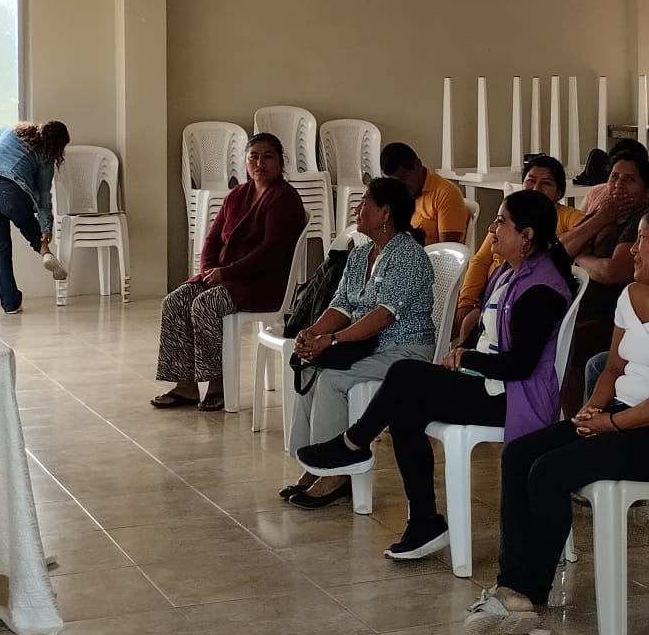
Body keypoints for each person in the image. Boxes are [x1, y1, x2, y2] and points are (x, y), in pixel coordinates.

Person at [467, 202, 649, 635]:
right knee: (519, 455)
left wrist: (610, 426)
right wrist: (592, 410)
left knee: (550, 470)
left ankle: (527, 591)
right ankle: (511, 584)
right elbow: (613, 367)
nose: (633, 249)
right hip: (624, 417)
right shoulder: (632, 294)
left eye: (643, 239)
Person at [298, 189, 574, 560]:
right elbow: (486, 333)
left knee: (405, 374)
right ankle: (423, 521)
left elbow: (520, 365)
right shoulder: (508, 273)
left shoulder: (541, 289)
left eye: (501, 222)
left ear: (526, 236)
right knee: (404, 405)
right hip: (489, 384)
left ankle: (352, 445)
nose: (491, 229)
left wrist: (466, 359)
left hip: (514, 398)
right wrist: (464, 349)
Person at [284, 176, 435, 508]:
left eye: (365, 202)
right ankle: (312, 462)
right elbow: (341, 305)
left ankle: (336, 472)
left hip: (403, 350)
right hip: (366, 347)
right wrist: (313, 334)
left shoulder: (408, 256)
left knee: (332, 379)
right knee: (309, 367)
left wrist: (331, 340)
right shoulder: (361, 254)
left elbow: (383, 316)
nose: (357, 208)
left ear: (385, 213)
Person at [151, 133, 307, 413]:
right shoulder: (237, 195)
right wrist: (208, 271)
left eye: (268, 157)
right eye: (253, 157)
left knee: (206, 304)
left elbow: (271, 252)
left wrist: (226, 274)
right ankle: (185, 385)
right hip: (225, 277)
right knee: (175, 301)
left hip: (262, 283)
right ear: (245, 162)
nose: (260, 163)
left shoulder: (284, 199)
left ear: (281, 162)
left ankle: (218, 385)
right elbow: (212, 240)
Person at [562, 145, 649, 413]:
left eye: (629, 179)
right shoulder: (606, 211)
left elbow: (613, 272)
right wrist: (601, 218)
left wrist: (581, 257)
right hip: (581, 308)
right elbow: (559, 251)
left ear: (648, 191)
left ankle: (576, 419)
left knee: (568, 342)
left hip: (616, 316)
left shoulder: (643, 221)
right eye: (614, 177)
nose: (618, 185)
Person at [453, 155, 585, 332]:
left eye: (546, 183)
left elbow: (584, 232)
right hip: (493, 291)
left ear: (559, 192)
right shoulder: (510, 216)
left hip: (518, 294)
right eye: (530, 181)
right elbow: (481, 260)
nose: (536, 188)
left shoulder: (566, 216)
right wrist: (466, 301)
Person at [0, 120, 71, 313]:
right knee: (28, 223)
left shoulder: (13, 131)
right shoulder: (46, 156)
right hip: (11, 193)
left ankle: (10, 304)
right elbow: (44, 195)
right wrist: (46, 228)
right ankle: (44, 250)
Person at [380, 142, 468, 245]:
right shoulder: (396, 193)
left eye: (403, 179)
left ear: (417, 165)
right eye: (395, 183)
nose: (400, 187)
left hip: (428, 254)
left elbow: (447, 250)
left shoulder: (446, 194)